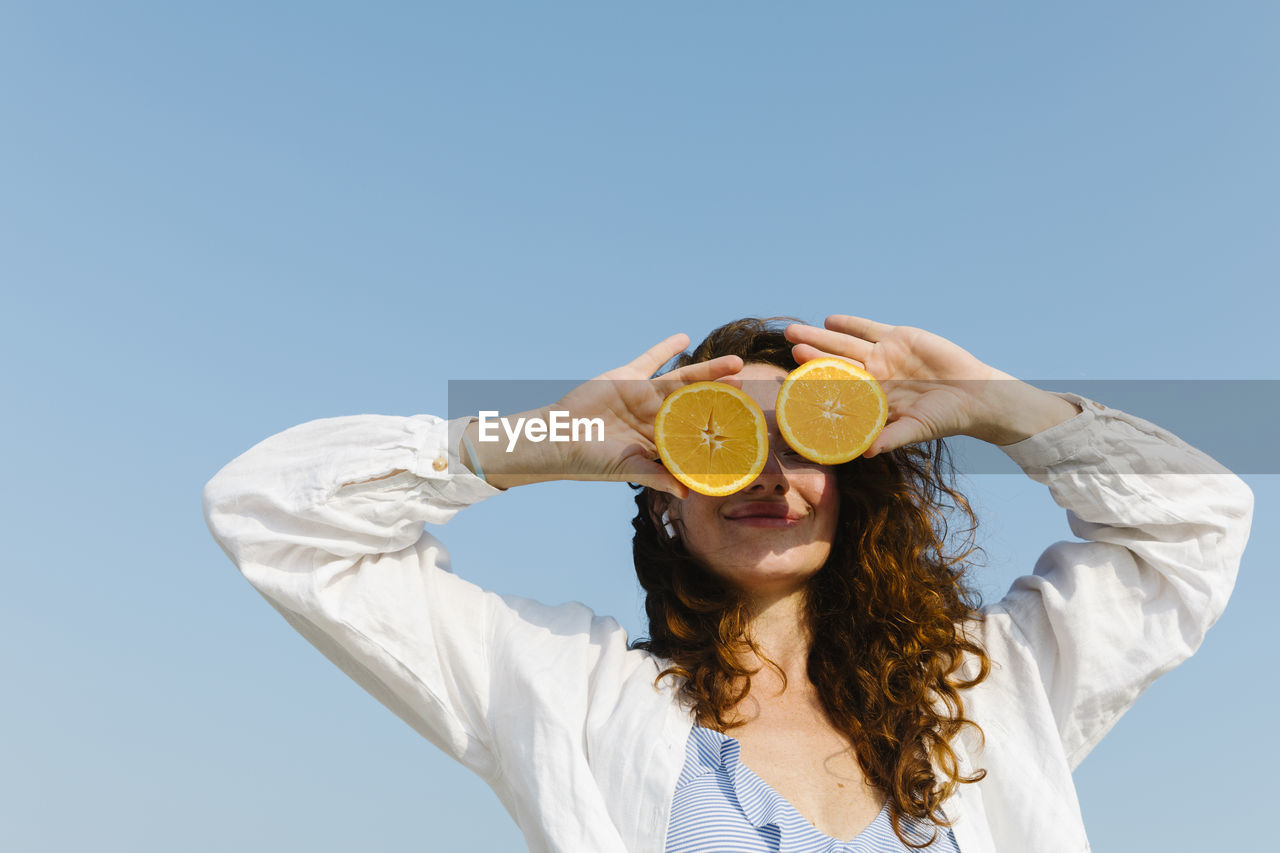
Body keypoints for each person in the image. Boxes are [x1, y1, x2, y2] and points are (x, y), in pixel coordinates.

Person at [202, 315, 1253, 853]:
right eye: (720, 437)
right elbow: (270, 510)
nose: (765, 473)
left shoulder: (987, 693)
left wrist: (990, 404)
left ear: (852, 484)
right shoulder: (564, 691)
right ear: (664, 487)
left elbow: (1196, 521)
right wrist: (551, 437)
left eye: (802, 438)